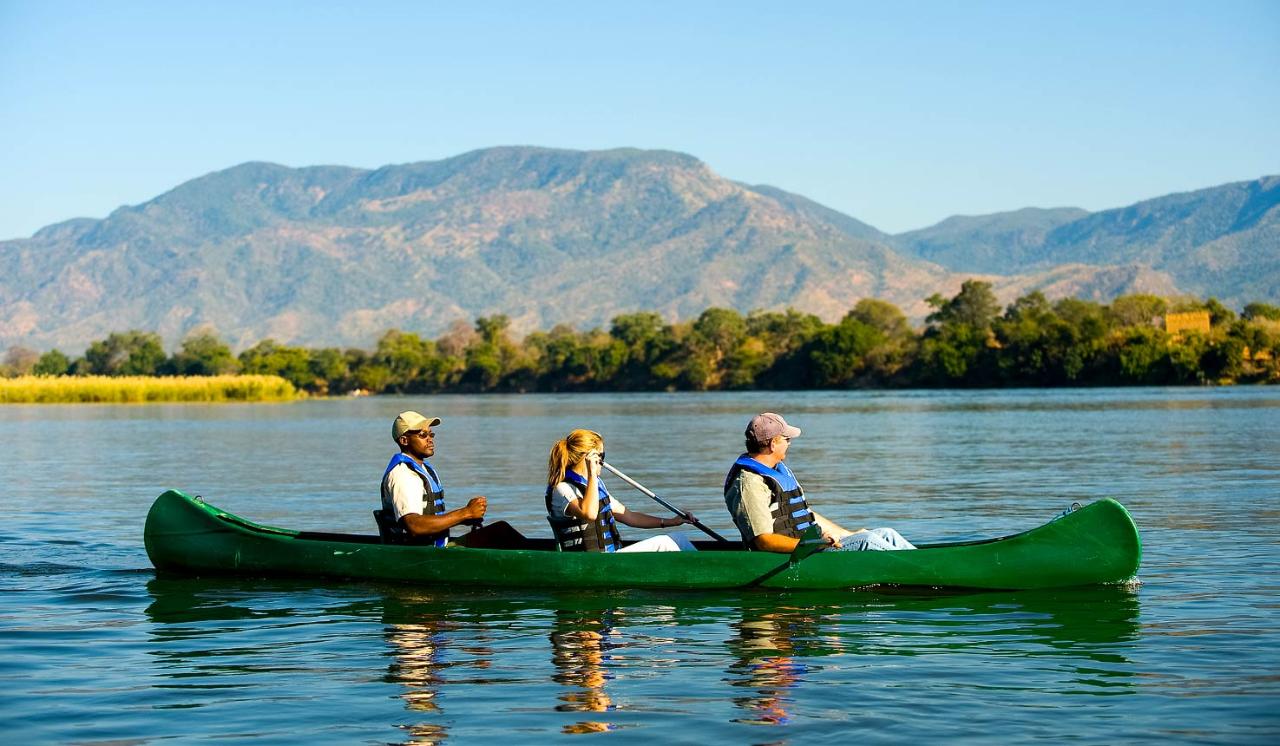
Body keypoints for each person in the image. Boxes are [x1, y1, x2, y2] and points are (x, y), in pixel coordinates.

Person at [723, 412, 915, 553]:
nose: (790, 443)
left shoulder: (776, 470)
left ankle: (928, 562)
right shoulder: (749, 483)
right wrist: (815, 544)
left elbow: (806, 516)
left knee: (886, 534)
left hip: (809, 546)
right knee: (867, 541)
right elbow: (763, 542)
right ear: (773, 443)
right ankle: (924, 571)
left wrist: (847, 534)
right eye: (787, 439)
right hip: (793, 556)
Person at [380, 411, 524, 548]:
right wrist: (465, 513)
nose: (430, 439)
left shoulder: (424, 469)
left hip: (434, 548)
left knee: (500, 531)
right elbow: (414, 525)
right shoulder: (403, 474)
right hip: (419, 554)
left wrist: (465, 519)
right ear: (404, 440)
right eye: (423, 435)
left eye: (431, 434)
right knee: (501, 533)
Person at [545, 429, 697, 552]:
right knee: (666, 542)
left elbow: (629, 517)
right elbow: (589, 514)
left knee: (678, 539)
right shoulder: (562, 489)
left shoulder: (595, 485)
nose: (603, 461)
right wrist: (591, 473)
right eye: (601, 456)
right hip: (589, 563)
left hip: (611, 557)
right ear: (588, 458)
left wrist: (671, 522)